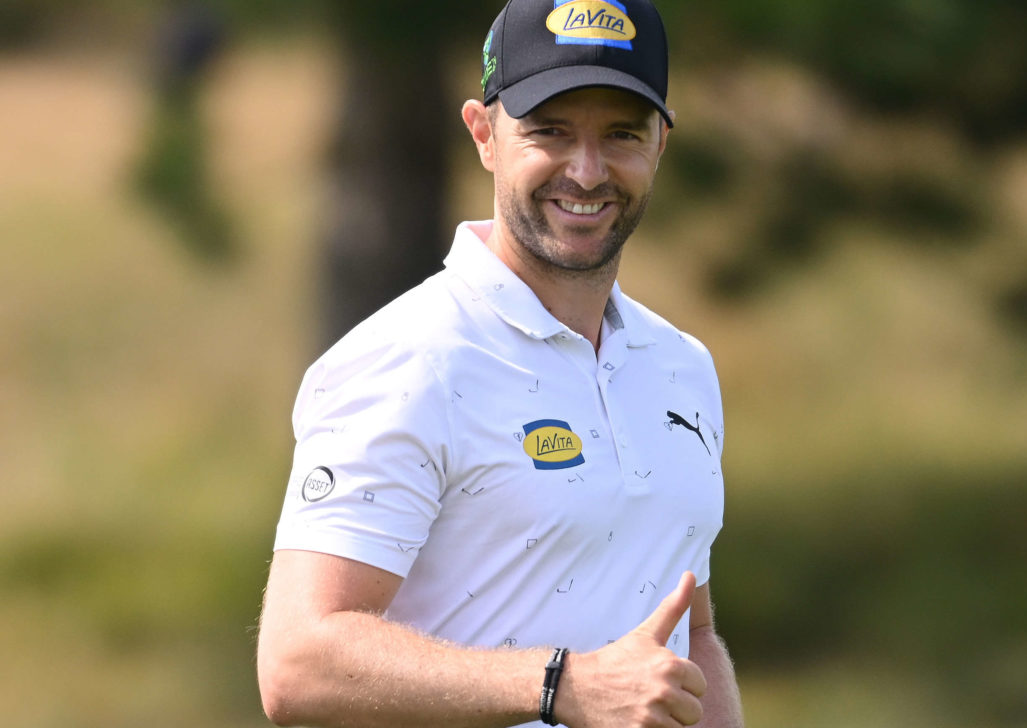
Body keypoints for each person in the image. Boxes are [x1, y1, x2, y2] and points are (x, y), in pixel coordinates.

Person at [256, 1, 744, 726]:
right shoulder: (410, 360)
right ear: (484, 135)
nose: (586, 171)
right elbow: (298, 664)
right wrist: (563, 686)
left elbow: (689, 638)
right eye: (549, 131)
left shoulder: (680, 366)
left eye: (621, 135)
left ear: (661, 144)